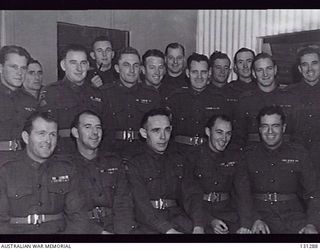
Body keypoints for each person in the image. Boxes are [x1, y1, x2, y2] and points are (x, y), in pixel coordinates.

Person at [0, 111, 88, 234]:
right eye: (42, 134)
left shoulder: (67, 169)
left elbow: (79, 218)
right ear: (26, 137)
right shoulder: (5, 171)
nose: (48, 140)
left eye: (52, 134)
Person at [127, 108, 205, 234]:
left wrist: (198, 225)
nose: (163, 137)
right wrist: (168, 231)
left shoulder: (178, 160)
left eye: (167, 130)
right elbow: (142, 206)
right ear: (144, 133)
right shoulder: (134, 163)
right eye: (156, 130)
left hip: (178, 220)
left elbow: (192, 195)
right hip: (148, 226)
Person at [245, 105, 320, 234]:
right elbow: (241, 194)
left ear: (283, 128)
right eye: (265, 126)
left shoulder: (299, 153)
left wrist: (311, 224)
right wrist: (254, 218)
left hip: (294, 218)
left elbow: (314, 193)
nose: (270, 131)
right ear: (259, 129)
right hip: (261, 219)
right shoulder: (248, 155)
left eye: (275, 126)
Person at [71, 110, 138, 234]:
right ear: (76, 132)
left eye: (98, 127)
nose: (95, 133)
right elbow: (70, 213)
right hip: (84, 230)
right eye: (88, 127)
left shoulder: (114, 162)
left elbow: (123, 204)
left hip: (115, 227)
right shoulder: (66, 166)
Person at [188, 114, 255, 234]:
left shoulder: (235, 156)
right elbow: (189, 196)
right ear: (208, 132)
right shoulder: (193, 156)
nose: (224, 138)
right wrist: (209, 220)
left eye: (228, 133)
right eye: (219, 132)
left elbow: (243, 191)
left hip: (228, 214)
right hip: (200, 215)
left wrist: (246, 224)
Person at [40, 44, 108, 154]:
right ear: (63, 65)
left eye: (83, 63)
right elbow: (46, 130)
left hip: (91, 156)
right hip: (63, 154)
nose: (79, 68)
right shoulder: (51, 92)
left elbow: (105, 129)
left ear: (88, 66)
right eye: (73, 63)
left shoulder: (97, 94)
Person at [166, 53, 232, 154]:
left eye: (203, 72)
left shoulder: (220, 99)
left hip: (208, 153)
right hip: (180, 153)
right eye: (195, 72)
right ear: (188, 73)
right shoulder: (175, 98)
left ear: (209, 73)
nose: (199, 77)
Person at [102, 46, 160, 156]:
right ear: (117, 68)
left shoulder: (151, 94)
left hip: (142, 153)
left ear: (140, 69)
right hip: (112, 152)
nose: (132, 70)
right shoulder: (105, 93)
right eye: (126, 65)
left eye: (136, 65)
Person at [233, 53, 300, 148]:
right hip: (253, 153)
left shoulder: (290, 98)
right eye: (260, 70)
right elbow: (239, 137)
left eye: (269, 68)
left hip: (285, 152)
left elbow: (297, 133)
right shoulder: (245, 100)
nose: (265, 74)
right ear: (253, 73)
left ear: (275, 70)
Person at [0, 45, 35, 165]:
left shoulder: (30, 101)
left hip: (23, 161)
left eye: (23, 68)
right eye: (14, 67)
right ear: (1, 68)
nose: (19, 73)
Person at [289, 46, 320, 172]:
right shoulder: (288, 94)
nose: (310, 69)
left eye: (314, 63)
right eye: (305, 65)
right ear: (300, 69)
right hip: (296, 160)